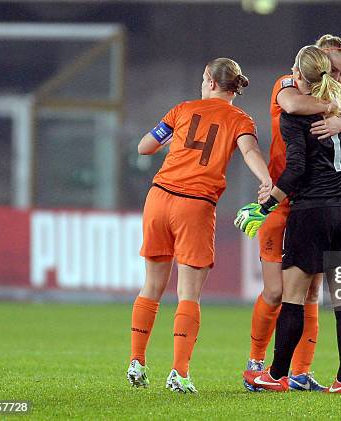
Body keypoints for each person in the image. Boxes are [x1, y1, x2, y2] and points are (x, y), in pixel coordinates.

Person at [127, 58, 272, 394]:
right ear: (235, 87)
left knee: (151, 287)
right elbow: (249, 151)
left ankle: (136, 361)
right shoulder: (240, 119)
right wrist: (265, 179)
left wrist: (173, 139)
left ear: (208, 80)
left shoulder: (182, 110)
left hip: (159, 198)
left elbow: (144, 147)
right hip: (195, 204)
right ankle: (178, 372)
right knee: (188, 294)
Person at [243, 34, 341, 392]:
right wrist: (340, 112)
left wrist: (268, 201)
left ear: (301, 75)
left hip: (311, 213)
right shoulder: (340, 105)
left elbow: (296, 169)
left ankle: (275, 376)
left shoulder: (297, 114)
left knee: (293, 298)